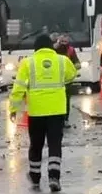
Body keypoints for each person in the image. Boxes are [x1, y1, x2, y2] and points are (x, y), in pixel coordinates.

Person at [10, 33, 78, 192]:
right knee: (55, 144)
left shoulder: (28, 63)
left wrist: (14, 109)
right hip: (57, 111)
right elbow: (72, 74)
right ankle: (54, 177)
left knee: (36, 144)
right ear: (50, 46)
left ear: (36, 48)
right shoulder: (62, 60)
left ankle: (35, 176)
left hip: (36, 112)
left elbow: (18, 87)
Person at [54, 34, 81, 127]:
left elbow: (78, 63)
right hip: (54, 80)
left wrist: (72, 68)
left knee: (66, 101)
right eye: (61, 41)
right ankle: (57, 119)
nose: (63, 44)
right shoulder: (53, 50)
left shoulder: (71, 50)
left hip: (66, 81)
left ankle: (65, 119)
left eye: (65, 42)